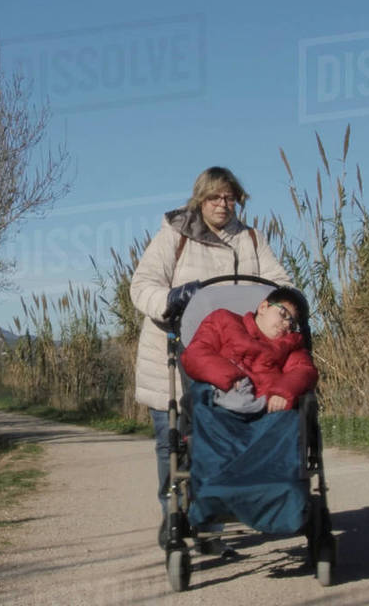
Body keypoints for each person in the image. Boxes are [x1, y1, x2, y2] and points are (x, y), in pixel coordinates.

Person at [129, 166, 292, 556]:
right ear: (199, 199)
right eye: (214, 197)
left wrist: (281, 310)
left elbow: (279, 284)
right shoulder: (175, 236)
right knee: (172, 441)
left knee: (221, 438)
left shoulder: (251, 239)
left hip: (233, 357)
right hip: (173, 353)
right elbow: (142, 285)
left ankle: (211, 526)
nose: (222, 205)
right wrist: (170, 299)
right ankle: (174, 514)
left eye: (229, 197)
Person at [180, 287, 318, 416]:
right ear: (263, 307)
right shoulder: (224, 320)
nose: (287, 324)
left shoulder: (291, 344)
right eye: (283, 314)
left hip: (265, 411)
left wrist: (282, 392)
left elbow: (303, 370)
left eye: (292, 324)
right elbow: (196, 353)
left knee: (291, 419)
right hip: (221, 403)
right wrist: (230, 377)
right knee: (200, 395)